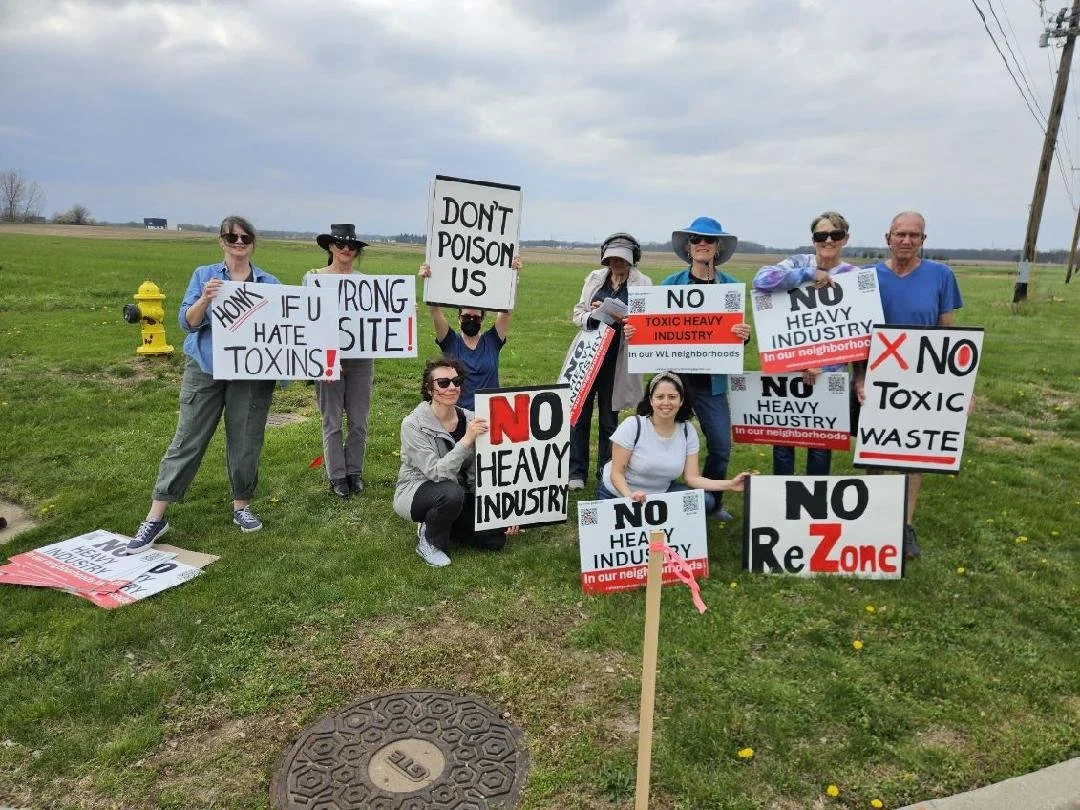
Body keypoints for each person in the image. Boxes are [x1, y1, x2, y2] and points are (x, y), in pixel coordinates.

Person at [127, 216, 279, 554]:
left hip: (249, 374)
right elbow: (188, 322)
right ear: (221, 241)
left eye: (245, 238)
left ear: (253, 243)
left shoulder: (268, 283)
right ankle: (156, 516)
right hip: (206, 369)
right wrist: (206, 299)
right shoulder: (204, 276)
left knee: (246, 440)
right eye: (231, 237)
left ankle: (241, 506)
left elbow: (284, 328)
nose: (238, 243)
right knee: (188, 438)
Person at [854, 211, 964, 559]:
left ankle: (904, 525)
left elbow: (947, 331)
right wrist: (859, 376)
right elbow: (855, 334)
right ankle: (873, 518)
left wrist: (957, 385)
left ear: (923, 240)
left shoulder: (941, 275)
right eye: (900, 234)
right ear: (887, 238)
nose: (906, 240)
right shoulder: (866, 277)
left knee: (914, 454)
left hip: (921, 379)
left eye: (914, 235)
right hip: (876, 375)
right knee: (875, 452)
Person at [752, 211, 859, 476]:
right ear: (813, 240)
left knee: (821, 446)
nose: (828, 240)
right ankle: (783, 494)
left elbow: (854, 333)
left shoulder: (853, 275)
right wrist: (810, 273)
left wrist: (819, 363)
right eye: (821, 235)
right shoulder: (798, 262)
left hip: (828, 374)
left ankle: (816, 496)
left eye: (835, 234)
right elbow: (761, 280)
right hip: (788, 370)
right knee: (783, 442)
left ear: (845, 239)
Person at [660, 217, 752, 521]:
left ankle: (712, 504)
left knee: (721, 446)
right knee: (664, 443)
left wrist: (743, 336)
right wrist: (636, 332)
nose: (702, 244)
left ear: (717, 247)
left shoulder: (730, 287)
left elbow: (734, 337)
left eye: (709, 240)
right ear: (688, 247)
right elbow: (653, 330)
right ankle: (664, 499)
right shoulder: (671, 284)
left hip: (711, 384)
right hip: (675, 382)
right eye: (696, 239)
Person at [393, 356, 520, 567]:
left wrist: (497, 513)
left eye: (457, 381)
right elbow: (435, 473)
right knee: (451, 493)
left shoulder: (471, 419)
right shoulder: (412, 424)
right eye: (443, 383)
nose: (452, 387)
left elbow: (477, 471)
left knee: (495, 539)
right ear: (429, 389)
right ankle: (430, 541)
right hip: (417, 489)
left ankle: (442, 523)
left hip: (459, 492)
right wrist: (466, 440)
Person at [567, 233, 650, 490]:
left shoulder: (643, 283)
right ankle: (575, 471)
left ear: (633, 258)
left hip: (617, 361)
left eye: (622, 258)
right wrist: (593, 314)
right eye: (613, 258)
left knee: (608, 419)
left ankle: (605, 469)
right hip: (590, 354)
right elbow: (578, 313)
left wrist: (627, 321)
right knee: (579, 415)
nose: (617, 263)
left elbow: (647, 323)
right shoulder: (594, 278)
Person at [599, 372, 749, 509]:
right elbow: (616, 474)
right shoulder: (633, 425)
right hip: (619, 493)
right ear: (651, 400)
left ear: (681, 400)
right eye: (660, 397)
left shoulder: (687, 431)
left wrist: (730, 484)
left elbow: (692, 478)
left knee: (706, 501)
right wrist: (630, 496)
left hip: (658, 495)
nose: (666, 402)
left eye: (672, 397)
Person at [304, 224, 373, 499]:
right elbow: (307, 319)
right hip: (327, 358)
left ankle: (354, 472)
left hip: (361, 359)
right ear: (330, 246)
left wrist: (404, 310)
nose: (346, 249)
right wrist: (324, 355)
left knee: (359, 420)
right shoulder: (314, 278)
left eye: (351, 245)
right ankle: (337, 475)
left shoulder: (365, 281)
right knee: (331, 420)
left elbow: (376, 317)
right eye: (340, 244)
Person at [417, 257, 522, 411]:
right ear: (459, 318)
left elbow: (506, 311)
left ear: (482, 319)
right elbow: (435, 310)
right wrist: (428, 281)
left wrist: (513, 276)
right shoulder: (450, 341)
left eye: (476, 317)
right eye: (466, 317)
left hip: (490, 413)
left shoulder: (492, 341)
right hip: (459, 414)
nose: (471, 320)